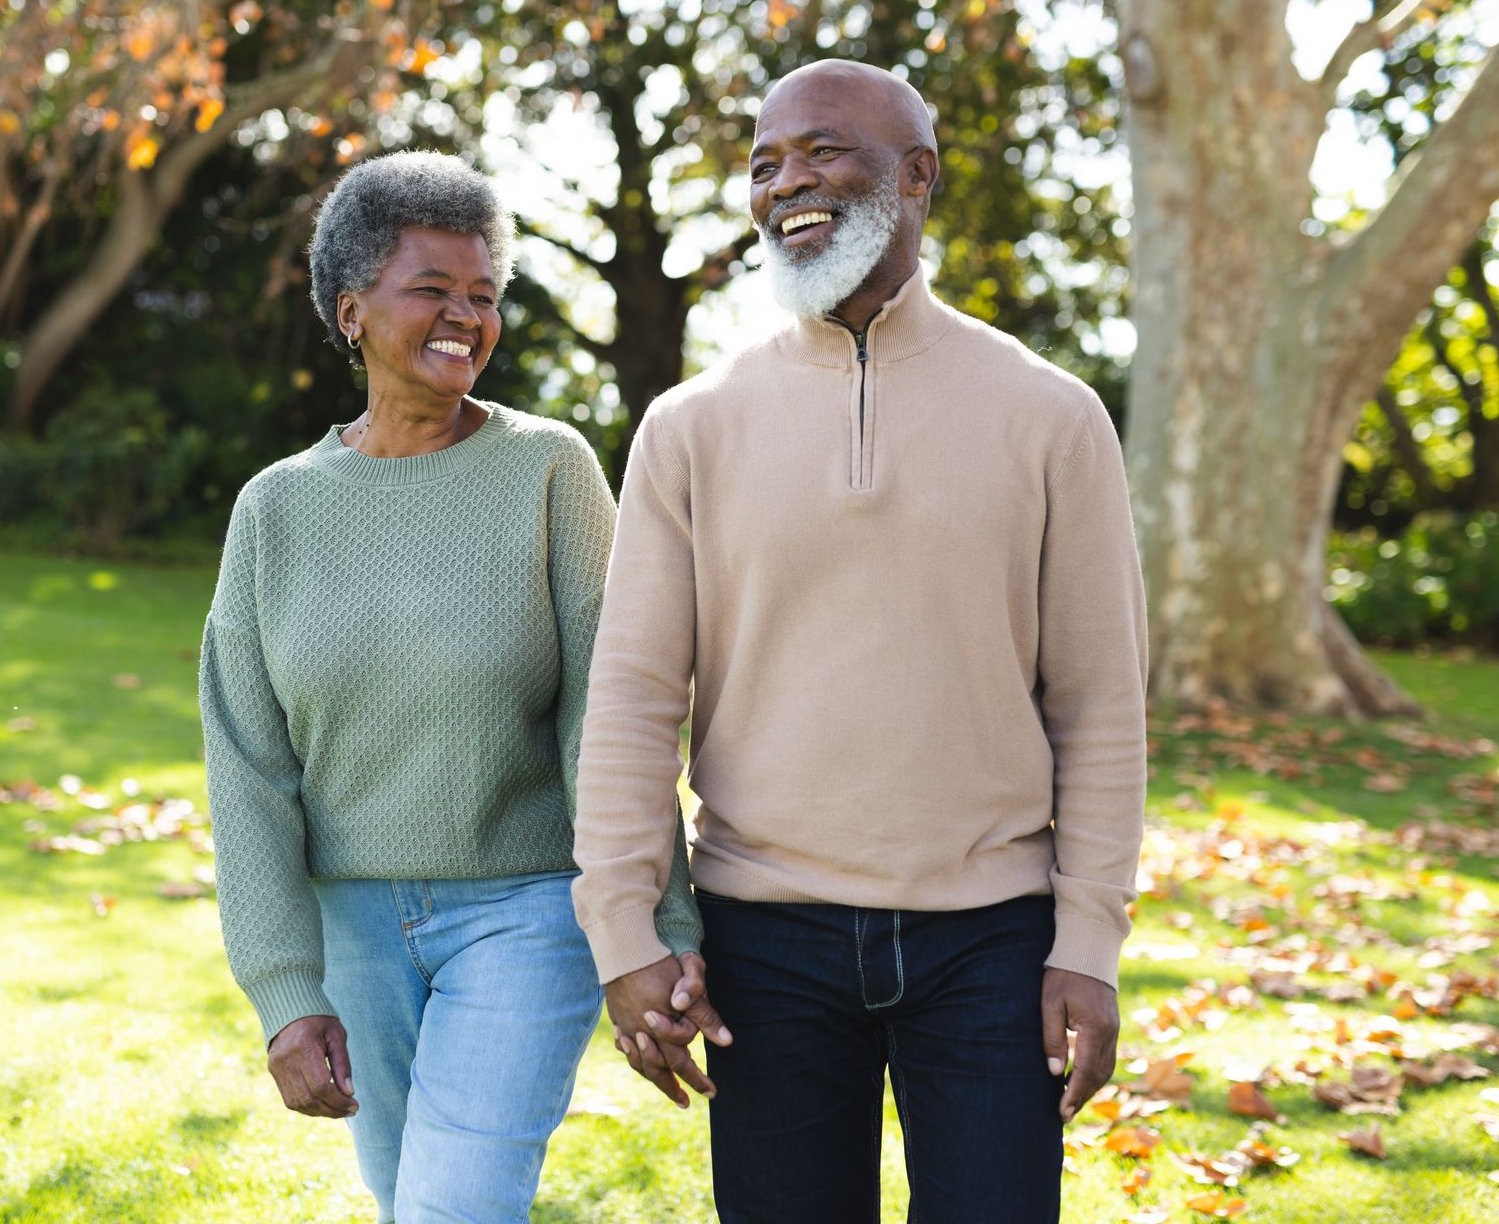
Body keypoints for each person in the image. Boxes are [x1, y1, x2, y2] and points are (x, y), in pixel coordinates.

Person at [571, 61, 1147, 1223]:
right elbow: (631, 694)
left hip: (992, 942)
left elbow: (1098, 702)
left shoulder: (1050, 416)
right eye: (764, 163)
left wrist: (1086, 941)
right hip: (760, 941)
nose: (787, 181)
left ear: (916, 175)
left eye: (822, 150)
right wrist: (624, 932)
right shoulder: (688, 427)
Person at [197, 150, 705, 1224]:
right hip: (351, 931)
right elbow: (247, 766)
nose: (465, 317)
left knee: (455, 1206)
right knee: (407, 1203)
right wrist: (284, 992)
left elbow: (610, 717)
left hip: (528, 909)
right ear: (351, 311)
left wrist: (658, 924)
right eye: (431, 288)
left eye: (482, 293)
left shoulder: (549, 470)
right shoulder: (274, 510)